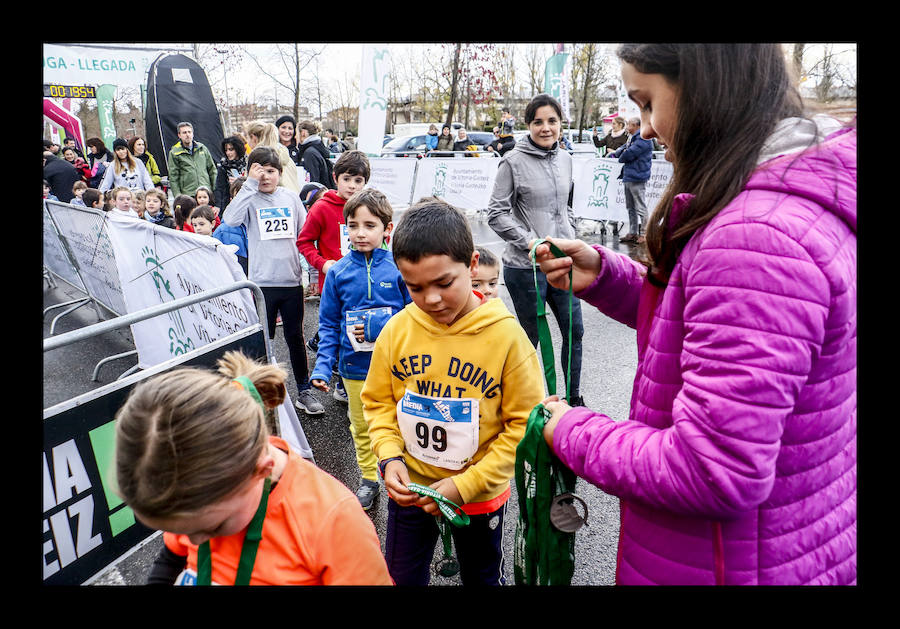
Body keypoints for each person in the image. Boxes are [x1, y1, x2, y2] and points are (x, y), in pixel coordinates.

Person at [532, 43, 856, 586]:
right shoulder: (785, 200)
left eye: (647, 102)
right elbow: (720, 330)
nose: (643, 129)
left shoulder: (755, 238)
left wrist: (568, 428)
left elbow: (710, 470)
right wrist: (611, 279)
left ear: (705, 88)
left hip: (728, 564)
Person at [361, 197, 544, 586]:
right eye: (414, 287)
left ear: (473, 265)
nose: (430, 299)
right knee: (399, 577)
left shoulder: (508, 338)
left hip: (478, 497)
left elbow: (524, 428)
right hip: (409, 487)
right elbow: (378, 403)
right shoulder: (397, 330)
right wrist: (390, 456)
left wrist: (465, 485)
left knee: (482, 577)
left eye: (444, 283)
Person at [113, 350, 394, 585]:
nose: (194, 540)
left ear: (261, 469)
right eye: (185, 530)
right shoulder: (193, 502)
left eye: (214, 526)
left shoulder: (332, 521)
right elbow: (171, 557)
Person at [309, 188, 411, 511]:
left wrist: (378, 327)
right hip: (354, 368)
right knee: (362, 426)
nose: (360, 233)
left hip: (397, 367)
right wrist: (324, 367)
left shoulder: (399, 269)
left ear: (387, 229)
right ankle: (370, 479)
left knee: (401, 422)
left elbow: (414, 317)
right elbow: (327, 325)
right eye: (353, 225)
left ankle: (404, 470)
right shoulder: (338, 272)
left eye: (369, 225)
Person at [486, 92, 585, 407]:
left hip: (564, 262)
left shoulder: (566, 159)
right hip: (525, 267)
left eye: (552, 121)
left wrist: (574, 235)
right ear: (528, 125)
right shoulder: (513, 161)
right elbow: (496, 212)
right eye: (538, 122)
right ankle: (533, 402)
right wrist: (529, 241)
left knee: (575, 331)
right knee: (531, 340)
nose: (546, 128)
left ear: (560, 123)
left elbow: (564, 207)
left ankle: (573, 398)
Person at [222, 146, 324, 416]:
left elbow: (306, 237)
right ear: (251, 172)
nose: (266, 176)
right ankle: (261, 391)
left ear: (279, 173)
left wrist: (313, 274)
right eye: (260, 170)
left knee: (295, 338)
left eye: (271, 171)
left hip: (291, 282)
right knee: (264, 339)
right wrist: (249, 185)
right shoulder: (250, 199)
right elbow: (229, 219)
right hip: (261, 284)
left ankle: (304, 389)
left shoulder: (290, 198)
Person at [296, 150, 370, 297]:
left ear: (365, 182)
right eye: (347, 179)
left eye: (358, 180)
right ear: (335, 178)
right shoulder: (321, 208)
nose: (352, 186)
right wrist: (322, 264)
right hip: (334, 285)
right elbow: (304, 242)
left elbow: (382, 238)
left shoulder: (370, 207)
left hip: (365, 283)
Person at [611, 117, 653, 244]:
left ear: (636, 125)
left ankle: (645, 234)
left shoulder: (643, 139)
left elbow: (628, 154)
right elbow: (624, 150)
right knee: (630, 207)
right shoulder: (633, 138)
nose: (627, 126)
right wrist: (621, 152)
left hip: (637, 176)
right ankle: (633, 232)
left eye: (628, 124)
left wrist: (621, 155)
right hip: (630, 175)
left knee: (640, 207)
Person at [244, 120, 300, 195]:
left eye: (247, 137)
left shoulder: (258, 159)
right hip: (293, 199)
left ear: (253, 137)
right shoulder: (284, 154)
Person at [166, 122, 218, 200]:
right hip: (188, 194)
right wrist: (178, 196)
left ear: (193, 134)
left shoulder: (202, 148)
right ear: (179, 135)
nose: (187, 135)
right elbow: (173, 177)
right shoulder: (175, 153)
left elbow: (212, 170)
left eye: (189, 132)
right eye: (184, 132)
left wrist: (215, 190)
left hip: (205, 192)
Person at [213, 177, 250, 276]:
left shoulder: (262, 225)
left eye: (248, 197)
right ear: (231, 201)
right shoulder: (222, 231)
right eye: (239, 198)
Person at [297, 120, 335, 189]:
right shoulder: (316, 149)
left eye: (296, 133)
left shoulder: (310, 154)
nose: (295, 137)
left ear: (303, 133)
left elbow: (312, 185)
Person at [215, 136, 248, 211]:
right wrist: (218, 206)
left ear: (238, 149)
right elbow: (219, 188)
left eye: (231, 149)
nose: (228, 153)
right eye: (226, 150)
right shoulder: (223, 165)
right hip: (229, 202)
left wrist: (240, 181)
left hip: (247, 199)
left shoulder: (248, 163)